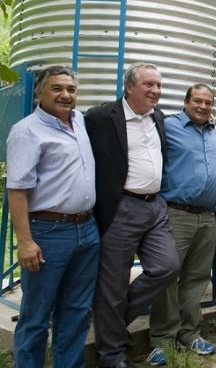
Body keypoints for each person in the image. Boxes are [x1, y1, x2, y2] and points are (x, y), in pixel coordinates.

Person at [85, 62, 180, 368]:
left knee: (167, 266)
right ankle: (111, 355)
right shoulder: (102, 117)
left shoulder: (159, 118)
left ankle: (109, 322)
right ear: (128, 87)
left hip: (155, 206)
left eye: (159, 86)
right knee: (113, 283)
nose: (155, 91)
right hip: (121, 206)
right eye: (148, 84)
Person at [6, 65, 99, 368]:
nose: (65, 95)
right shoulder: (27, 131)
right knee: (36, 314)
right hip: (47, 232)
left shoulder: (80, 122)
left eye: (71, 89)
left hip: (86, 229)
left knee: (76, 310)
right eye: (57, 88)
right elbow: (17, 190)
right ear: (40, 92)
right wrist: (25, 241)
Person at [147, 84, 216, 364]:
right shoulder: (169, 126)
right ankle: (162, 339)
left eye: (208, 102)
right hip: (176, 213)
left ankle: (189, 333)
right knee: (168, 277)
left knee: (197, 278)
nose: (203, 106)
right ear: (186, 101)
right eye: (198, 101)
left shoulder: (213, 132)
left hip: (208, 216)